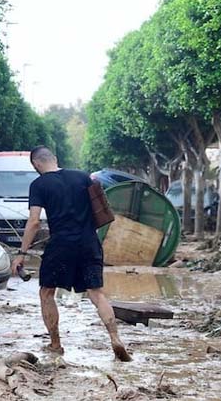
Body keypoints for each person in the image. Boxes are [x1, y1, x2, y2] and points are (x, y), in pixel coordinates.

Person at [11, 146, 132, 362]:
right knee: (97, 293)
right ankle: (115, 338)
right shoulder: (83, 177)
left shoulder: (39, 184)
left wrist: (21, 253)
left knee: (47, 293)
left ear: (36, 164)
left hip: (61, 245)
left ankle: (56, 344)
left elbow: (34, 221)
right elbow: (101, 210)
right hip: (89, 242)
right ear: (55, 159)